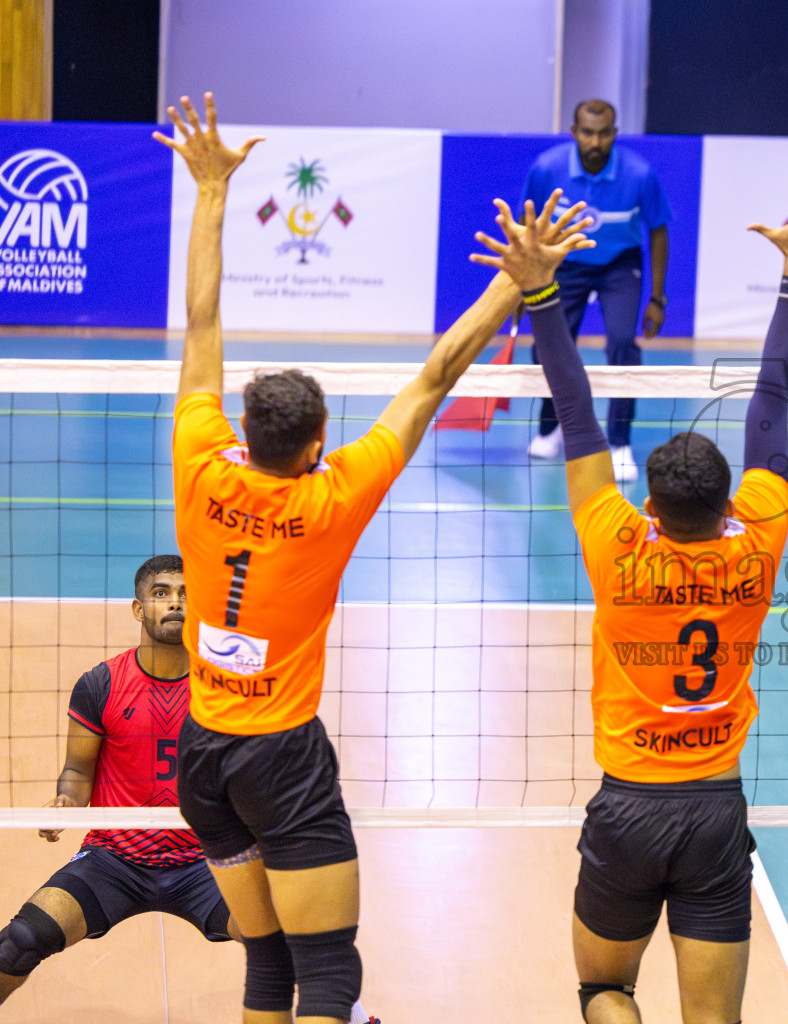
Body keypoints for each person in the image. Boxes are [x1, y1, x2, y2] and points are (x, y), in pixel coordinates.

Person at [153, 92, 592, 1024]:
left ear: (248, 429)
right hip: (281, 759)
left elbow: (199, 327)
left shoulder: (198, 458)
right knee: (332, 981)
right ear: (315, 443)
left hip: (201, 753)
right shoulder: (333, 496)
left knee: (266, 966)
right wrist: (521, 280)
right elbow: (437, 374)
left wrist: (212, 192)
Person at [473, 179, 788, 1024]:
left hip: (628, 808)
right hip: (716, 809)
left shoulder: (617, 544)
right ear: (731, 504)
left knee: (604, 989)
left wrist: (541, 292)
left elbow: (575, 411)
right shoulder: (758, 539)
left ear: (649, 505)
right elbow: (769, 403)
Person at [0, 556, 379, 1023]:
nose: (175, 602)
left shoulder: (225, 690)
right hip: (114, 859)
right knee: (19, 942)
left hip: (209, 862)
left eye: (186, 594)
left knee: (291, 940)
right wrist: (65, 802)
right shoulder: (100, 685)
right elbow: (78, 773)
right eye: (161, 593)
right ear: (139, 609)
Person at [523, 98, 673, 483]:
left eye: (603, 133)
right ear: (574, 132)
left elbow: (658, 232)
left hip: (620, 265)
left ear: (614, 134)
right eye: (587, 133)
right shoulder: (546, 169)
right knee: (547, 347)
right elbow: (529, 228)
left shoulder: (640, 175)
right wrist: (520, 287)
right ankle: (550, 424)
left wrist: (657, 298)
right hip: (565, 262)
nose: (595, 141)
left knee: (623, 344)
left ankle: (619, 441)